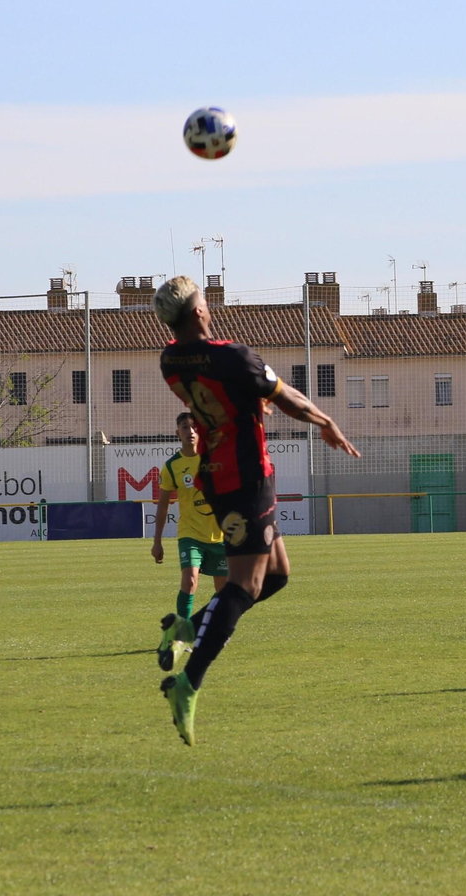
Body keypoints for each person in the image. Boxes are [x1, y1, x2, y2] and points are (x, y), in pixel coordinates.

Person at [153, 275, 360, 746]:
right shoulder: (234, 357)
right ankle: (188, 683)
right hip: (245, 478)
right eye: (205, 300)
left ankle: (187, 624)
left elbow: (209, 397)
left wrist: (245, 405)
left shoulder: (169, 360)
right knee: (245, 586)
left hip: (215, 471)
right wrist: (326, 421)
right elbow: (289, 399)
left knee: (278, 575)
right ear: (199, 312)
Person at [152, 411, 228, 672]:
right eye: (185, 427)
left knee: (224, 593)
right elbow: (162, 507)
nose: (191, 431)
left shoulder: (214, 459)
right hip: (190, 534)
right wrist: (157, 541)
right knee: (190, 580)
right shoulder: (172, 465)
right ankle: (181, 635)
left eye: (195, 426)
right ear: (178, 433)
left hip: (219, 536)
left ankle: (216, 630)